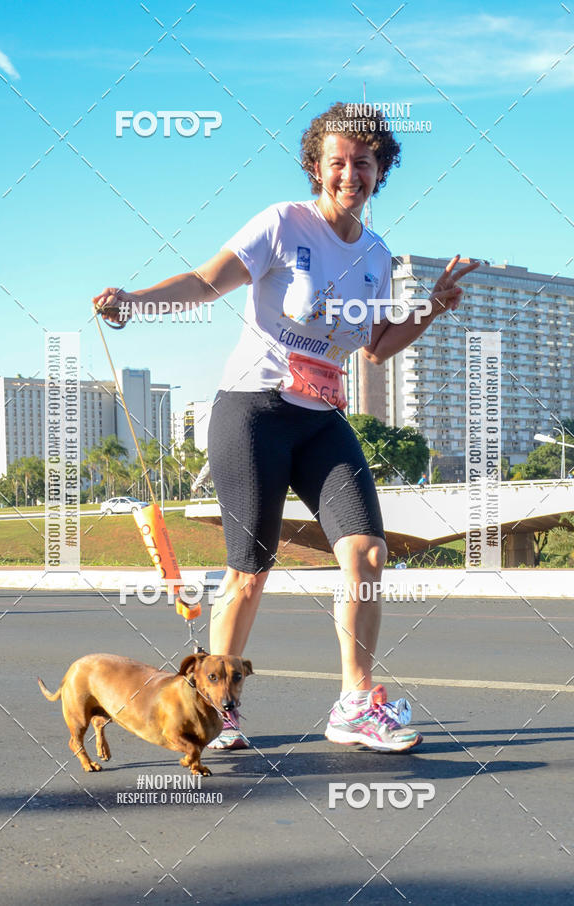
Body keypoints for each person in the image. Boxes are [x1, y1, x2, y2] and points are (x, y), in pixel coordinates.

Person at [93, 101, 479, 753]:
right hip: (254, 411)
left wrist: (433, 306)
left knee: (367, 553)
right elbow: (205, 282)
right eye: (337, 162)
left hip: (322, 419)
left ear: (381, 170)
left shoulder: (377, 255)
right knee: (250, 572)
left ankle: (355, 704)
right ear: (316, 168)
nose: (350, 174)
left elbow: (377, 346)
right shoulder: (282, 224)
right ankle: (213, 710)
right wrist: (135, 301)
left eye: (363, 162)